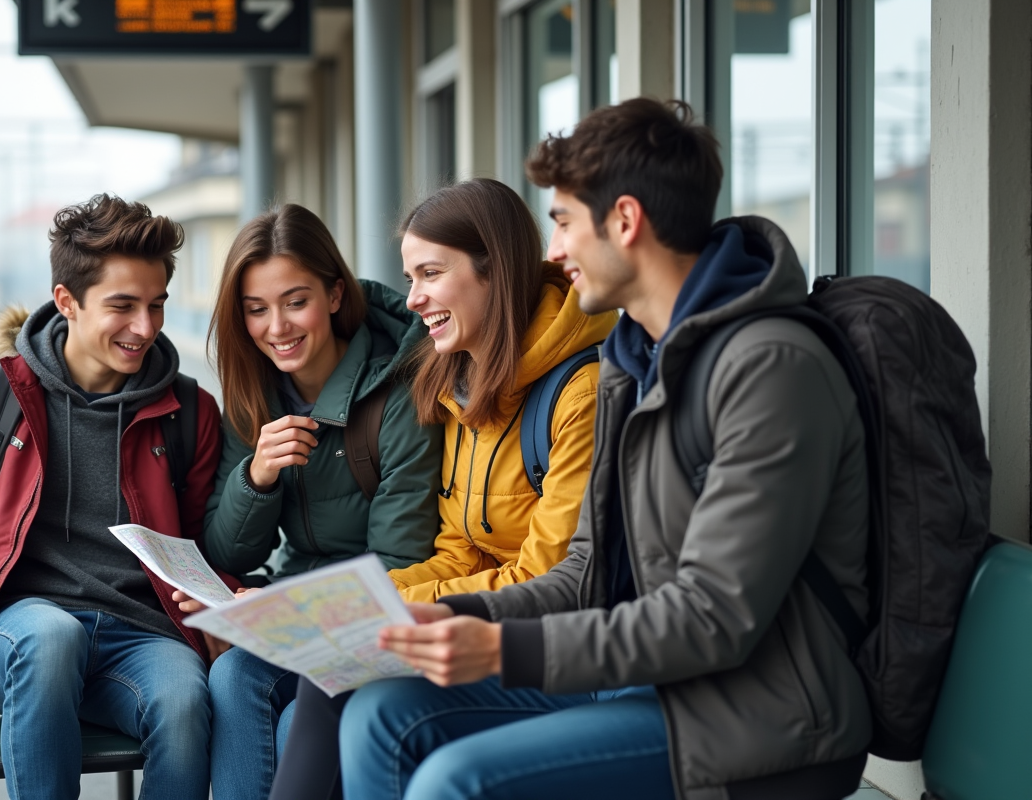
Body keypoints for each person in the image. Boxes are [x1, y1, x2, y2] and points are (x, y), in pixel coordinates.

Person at [336, 98, 873, 800]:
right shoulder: (633, 359)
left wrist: (502, 646)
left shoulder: (771, 368)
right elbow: (586, 571)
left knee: (456, 781)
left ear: (624, 221)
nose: (551, 252)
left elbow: (712, 617)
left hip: (762, 721)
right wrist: (460, 617)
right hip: (638, 681)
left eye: (561, 222)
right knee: (381, 714)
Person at [264, 177, 618, 800]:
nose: (414, 298)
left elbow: (551, 580)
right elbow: (459, 551)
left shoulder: (580, 394)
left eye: (430, 273)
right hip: (483, 628)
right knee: (326, 674)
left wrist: (397, 608)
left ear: (495, 271)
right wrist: (343, 602)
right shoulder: (462, 383)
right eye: (409, 278)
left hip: (554, 649)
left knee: (343, 687)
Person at [0, 194, 224, 800]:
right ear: (66, 301)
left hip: (143, 635)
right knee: (52, 638)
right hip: (18, 636)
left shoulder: (190, 411)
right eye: (122, 306)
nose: (144, 328)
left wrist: (217, 607)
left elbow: (207, 537)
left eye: (156, 306)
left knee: (184, 700)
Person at [198, 203, 442, 800]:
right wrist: (256, 476)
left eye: (295, 301)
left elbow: (401, 563)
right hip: (301, 600)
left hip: (381, 616)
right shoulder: (254, 395)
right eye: (255, 310)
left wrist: (279, 609)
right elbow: (227, 547)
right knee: (231, 673)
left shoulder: (400, 395)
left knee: (285, 722)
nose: (276, 327)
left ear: (335, 295)